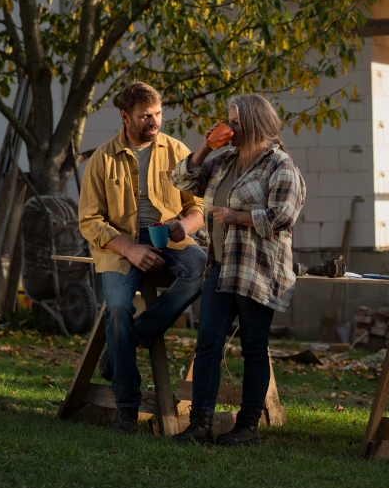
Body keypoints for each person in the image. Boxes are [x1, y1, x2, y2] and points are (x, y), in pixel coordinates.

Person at [170, 94, 305, 446]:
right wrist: (203, 147)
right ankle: (199, 422)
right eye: (228, 120)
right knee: (207, 344)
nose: (229, 128)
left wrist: (238, 218)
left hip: (256, 268)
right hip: (220, 266)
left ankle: (247, 426)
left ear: (256, 124)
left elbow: (283, 216)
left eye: (235, 122)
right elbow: (183, 180)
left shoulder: (280, 166)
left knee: (254, 346)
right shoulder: (225, 160)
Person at [79, 80, 207, 433]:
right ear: (125, 117)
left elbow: (198, 206)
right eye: (145, 116)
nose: (154, 122)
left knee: (200, 267)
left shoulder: (177, 151)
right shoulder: (101, 160)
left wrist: (186, 225)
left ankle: (135, 337)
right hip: (120, 247)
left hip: (170, 240)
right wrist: (131, 249)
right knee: (118, 309)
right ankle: (126, 406)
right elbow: (89, 220)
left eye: (157, 114)